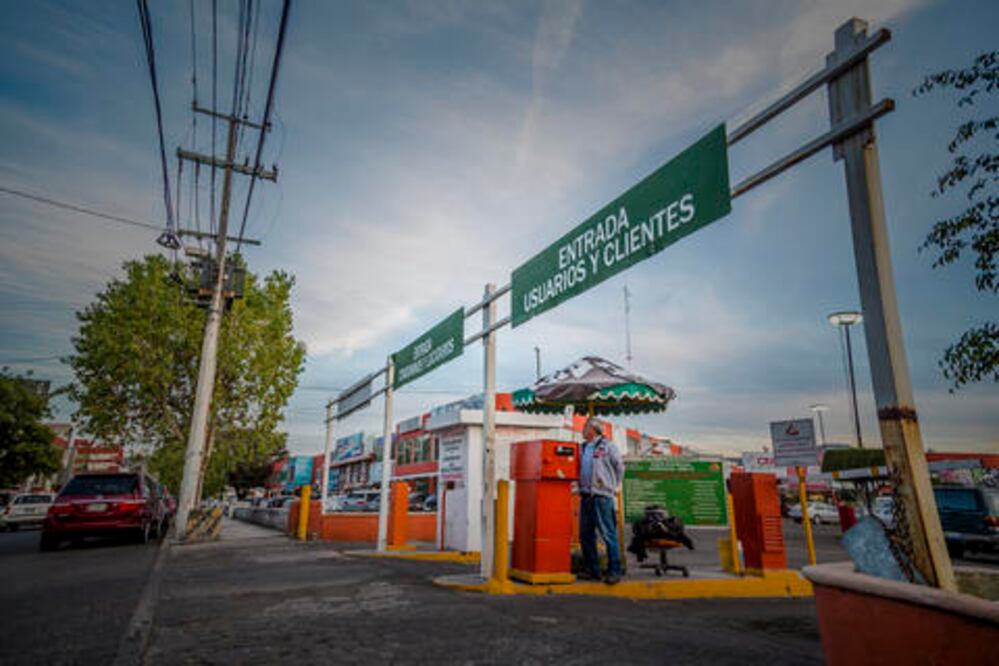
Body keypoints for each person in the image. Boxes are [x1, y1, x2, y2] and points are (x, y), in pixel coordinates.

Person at [578, 417, 625, 584]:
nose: (582, 430)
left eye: (585, 427)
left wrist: (613, 486)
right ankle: (593, 570)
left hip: (602, 496)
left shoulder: (608, 446)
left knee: (608, 534)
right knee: (585, 535)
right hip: (586, 496)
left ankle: (615, 570)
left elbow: (619, 467)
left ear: (593, 429)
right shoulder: (582, 447)